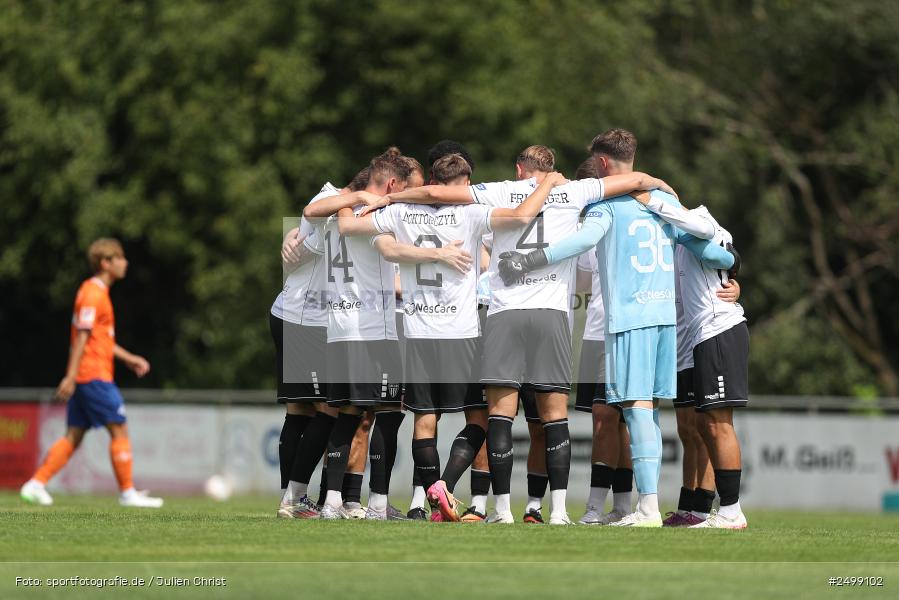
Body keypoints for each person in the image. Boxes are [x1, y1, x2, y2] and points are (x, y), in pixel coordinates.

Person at [370, 144, 677, 525]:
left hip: (505, 314)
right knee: (553, 417)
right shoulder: (577, 190)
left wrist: (390, 197)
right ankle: (560, 511)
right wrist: (662, 186)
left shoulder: (499, 190)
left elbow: (434, 193)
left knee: (499, 415)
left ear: (519, 169)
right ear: (552, 169)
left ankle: (500, 510)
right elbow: (635, 179)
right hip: (551, 314)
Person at [496, 131, 736, 527]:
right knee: (649, 412)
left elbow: (578, 243)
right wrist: (731, 265)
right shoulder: (662, 202)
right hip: (664, 320)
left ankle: (647, 508)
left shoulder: (607, 208)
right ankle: (646, 504)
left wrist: (528, 260)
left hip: (630, 320)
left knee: (637, 410)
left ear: (603, 166)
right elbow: (707, 249)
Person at [338, 153, 567, 521]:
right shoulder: (472, 212)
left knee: (424, 422)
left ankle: (430, 502)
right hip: (460, 333)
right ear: (466, 183)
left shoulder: (398, 214)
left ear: (430, 180)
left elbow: (347, 228)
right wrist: (548, 183)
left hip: (416, 330)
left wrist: (363, 196)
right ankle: (444, 485)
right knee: (479, 420)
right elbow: (523, 216)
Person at [20, 239, 162, 508]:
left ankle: (36, 483)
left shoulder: (96, 292)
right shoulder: (93, 294)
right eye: (119, 257)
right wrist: (71, 375)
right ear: (105, 263)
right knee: (119, 428)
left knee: (74, 436)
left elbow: (101, 339)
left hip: (88, 373)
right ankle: (127, 493)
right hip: (93, 374)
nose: (125, 262)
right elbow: (82, 337)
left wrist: (129, 359)